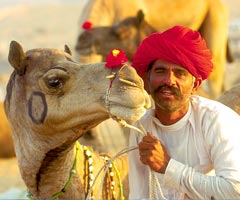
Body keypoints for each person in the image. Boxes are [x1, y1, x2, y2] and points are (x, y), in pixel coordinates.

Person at [128, 25, 240, 199]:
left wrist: (168, 167)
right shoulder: (141, 127)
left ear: (195, 85)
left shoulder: (216, 120)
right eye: (160, 71)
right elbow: (139, 192)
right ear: (147, 80)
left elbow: (234, 191)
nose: (169, 80)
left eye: (179, 73)